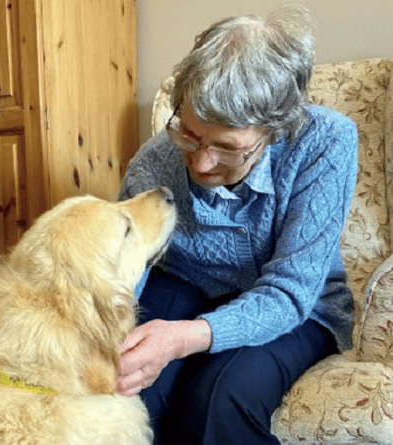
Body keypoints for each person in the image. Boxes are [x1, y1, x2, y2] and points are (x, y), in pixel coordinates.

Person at [117, 7, 357, 445]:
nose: (202, 162)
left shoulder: (325, 142)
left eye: (228, 148)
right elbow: (122, 275)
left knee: (219, 400)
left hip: (297, 304)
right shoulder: (153, 163)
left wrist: (183, 338)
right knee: (132, 395)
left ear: (275, 130)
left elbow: (289, 291)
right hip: (187, 283)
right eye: (189, 134)